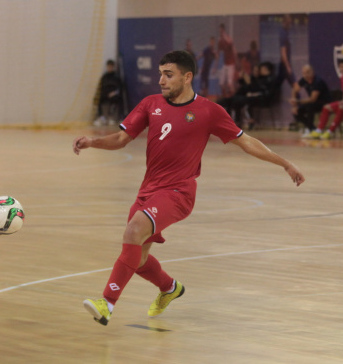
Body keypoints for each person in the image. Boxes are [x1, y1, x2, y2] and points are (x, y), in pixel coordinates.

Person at [74, 51, 304, 326]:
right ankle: (169, 288)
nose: (161, 80)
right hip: (148, 189)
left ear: (187, 77)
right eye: (160, 74)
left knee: (134, 230)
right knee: (137, 256)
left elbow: (247, 142)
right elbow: (122, 138)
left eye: (168, 75)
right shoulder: (150, 104)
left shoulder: (209, 111)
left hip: (178, 193)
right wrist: (92, 142)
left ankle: (106, 303)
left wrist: (285, 163)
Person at [308, 58, 343, 139]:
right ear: (339, 68)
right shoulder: (342, 78)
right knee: (326, 107)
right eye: (342, 67)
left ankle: (330, 131)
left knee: (342, 107)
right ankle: (319, 130)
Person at [291, 64, 330, 137]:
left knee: (309, 107)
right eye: (304, 73)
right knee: (297, 112)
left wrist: (298, 101)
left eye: (308, 72)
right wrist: (294, 105)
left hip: (324, 102)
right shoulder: (304, 80)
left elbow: (313, 99)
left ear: (313, 72)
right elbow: (294, 90)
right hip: (312, 103)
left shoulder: (318, 81)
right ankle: (313, 129)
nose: (306, 75)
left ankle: (310, 129)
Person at [93, 60, 124, 127]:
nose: (109, 68)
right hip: (105, 94)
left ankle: (112, 118)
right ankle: (101, 117)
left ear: (113, 67)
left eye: (111, 67)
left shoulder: (116, 77)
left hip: (114, 94)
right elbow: (101, 87)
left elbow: (120, 88)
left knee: (115, 99)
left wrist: (114, 93)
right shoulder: (104, 77)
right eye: (108, 67)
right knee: (99, 98)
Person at [218, 24, 237, 98]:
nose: (221, 32)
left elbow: (231, 44)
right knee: (221, 83)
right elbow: (219, 52)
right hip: (225, 64)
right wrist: (215, 66)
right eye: (220, 31)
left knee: (230, 83)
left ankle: (233, 97)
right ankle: (225, 97)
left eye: (222, 30)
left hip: (231, 64)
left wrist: (224, 36)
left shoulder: (228, 38)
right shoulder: (220, 41)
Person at [277, 14, 294, 87]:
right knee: (294, 83)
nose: (290, 25)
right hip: (285, 64)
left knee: (277, 83)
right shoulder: (283, 34)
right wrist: (288, 66)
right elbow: (283, 52)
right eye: (289, 23)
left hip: (283, 64)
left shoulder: (285, 32)